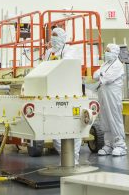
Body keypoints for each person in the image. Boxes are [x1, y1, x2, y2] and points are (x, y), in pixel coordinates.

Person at [42, 26, 83, 164]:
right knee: (55, 129)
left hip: (70, 94)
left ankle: (74, 158)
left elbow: (64, 66)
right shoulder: (48, 52)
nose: (52, 38)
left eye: (55, 35)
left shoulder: (70, 51)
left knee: (73, 125)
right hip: (53, 94)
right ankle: (65, 157)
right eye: (51, 35)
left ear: (63, 37)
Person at [93, 43, 127, 156]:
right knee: (105, 119)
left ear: (114, 52)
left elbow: (107, 78)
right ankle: (108, 144)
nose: (106, 53)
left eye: (108, 51)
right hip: (103, 95)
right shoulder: (105, 64)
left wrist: (101, 75)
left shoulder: (118, 65)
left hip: (113, 96)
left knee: (114, 118)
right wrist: (101, 74)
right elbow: (95, 75)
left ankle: (120, 144)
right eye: (105, 51)